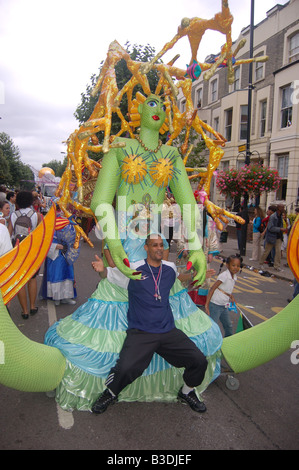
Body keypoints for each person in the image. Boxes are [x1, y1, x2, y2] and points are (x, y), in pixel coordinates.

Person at [44, 94, 222, 412]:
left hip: (153, 237)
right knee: (118, 300)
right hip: (126, 239)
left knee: (165, 297)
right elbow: (101, 200)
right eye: (151, 103)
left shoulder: (171, 155)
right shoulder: (120, 149)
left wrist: (195, 245)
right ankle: (112, 387)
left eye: (162, 106)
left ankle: (183, 385)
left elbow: (186, 203)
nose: (158, 109)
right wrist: (113, 241)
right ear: (139, 110)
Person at [91, 234, 208, 414]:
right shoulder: (134, 269)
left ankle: (187, 392)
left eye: (161, 245)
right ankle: (111, 393)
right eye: (154, 245)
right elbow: (110, 274)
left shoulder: (169, 268)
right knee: (125, 369)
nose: (159, 248)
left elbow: (179, 277)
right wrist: (101, 269)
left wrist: (194, 275)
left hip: (168, 331)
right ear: (146, 248)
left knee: (199, 360)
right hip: (141, 332)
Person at [8, 191, 42, 319]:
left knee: (20, 281)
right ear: (31, 201)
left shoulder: (13, 215)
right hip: (31, 251)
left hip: (17, 251)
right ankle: (33, 306)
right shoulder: (36, 215)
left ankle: (25, 311)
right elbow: (40, 235)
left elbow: (9, 233)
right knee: (32, 279)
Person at [39, 206, 80, 306]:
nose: (61, 211)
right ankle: (56, 296)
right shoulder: (49, 221)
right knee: (56, 274)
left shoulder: (69, 223)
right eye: (59, 209)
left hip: (66, 254)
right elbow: (44, 239)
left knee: (67, 274)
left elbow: (73, 237)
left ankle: (66, 297)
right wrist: (55, 246)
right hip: (55, 254)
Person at [205, 254, 242, 337]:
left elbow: (227, 289)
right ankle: (209, 342)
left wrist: (231, 297)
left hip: (224, 305)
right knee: (212, 326)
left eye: (238, 266)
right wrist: (207, 304)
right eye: (233, 265)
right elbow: (213, 288)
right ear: (227, 265)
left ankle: (228, 342)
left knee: (228, 325)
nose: (235, 268)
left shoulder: (234, 276)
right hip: (215, 304)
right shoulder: (224, 276)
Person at [260, 204, 288, 271]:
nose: (283, 210)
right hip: (272, 237)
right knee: (267, 251)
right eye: (282, 208)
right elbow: (270, 228)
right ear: (278, 209)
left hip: (278, 237)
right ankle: (261, 263)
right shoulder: (272, 217)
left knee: (278, 252)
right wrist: (280, 229)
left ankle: (277, 266)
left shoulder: (280, 216)